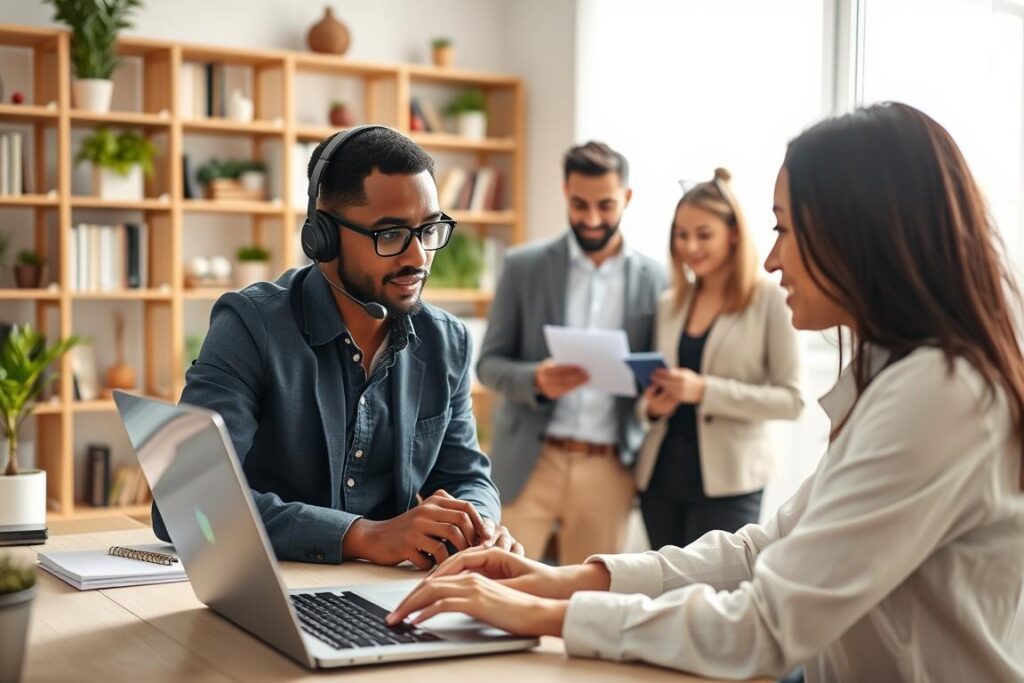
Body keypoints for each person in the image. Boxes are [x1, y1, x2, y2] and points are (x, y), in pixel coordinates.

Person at [387, 103, 1024, 681]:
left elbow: (765, 626)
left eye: (784, 229)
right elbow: (768, 548)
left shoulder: (941, 394)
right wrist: (567, 580)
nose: (774, 261)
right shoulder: (892, 370)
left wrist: (546, 613)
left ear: (860, 233)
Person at [154, 126, 521, 567]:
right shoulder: (251, 326)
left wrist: (476, 525)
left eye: (428, 230)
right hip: (267, 587)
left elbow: (466, 476)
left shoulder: (448, 342)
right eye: (390, 234)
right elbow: (184, 501)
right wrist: (362, 536)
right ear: (322, 238)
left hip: (385, 596)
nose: (418, 257)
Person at [477, 141, 666, 564]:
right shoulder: (523, 266)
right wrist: (535, 379)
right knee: (497, 579)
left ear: (628, 198)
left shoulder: (658, 280)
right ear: (565, 193)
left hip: (609, 467)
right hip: (530, 460)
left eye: (606, 205)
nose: (593, 219)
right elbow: (488, 364)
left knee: (589, 602)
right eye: (580, 205)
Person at [637, 168, 803, 549]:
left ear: (733, 234)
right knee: (662, 596)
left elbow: (792, 401)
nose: (690, 246)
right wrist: (653, 408)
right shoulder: (670, 304)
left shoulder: (770, 300)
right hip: (660, 479)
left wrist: (703, 391)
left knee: (712, 597)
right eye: (681, 235)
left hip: (730, 482)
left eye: (703, 234)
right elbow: (644, 403)